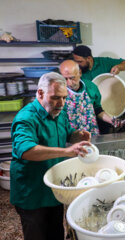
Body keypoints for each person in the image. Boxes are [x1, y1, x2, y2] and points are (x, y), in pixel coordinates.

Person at [10, 72, 91, 240]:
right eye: (55, 98)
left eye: (63, 97)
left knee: (55, 233)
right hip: (32, 192)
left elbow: (67, 134)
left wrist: (78, 136)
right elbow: (27, 151)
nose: (61, 103)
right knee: (37, 234)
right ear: (40, 93)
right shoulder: (26, 118)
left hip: (53, 189)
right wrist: (67, 152)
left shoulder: (58, 112)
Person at [60, 60, 122, 136]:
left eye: (72, 78)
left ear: (79, 73)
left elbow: (97, 110)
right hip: (70, 137)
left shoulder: (91, 87)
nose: (69, 83)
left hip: (91, 134)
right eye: (65, 79)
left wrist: (112, 121)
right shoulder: (59, 92)